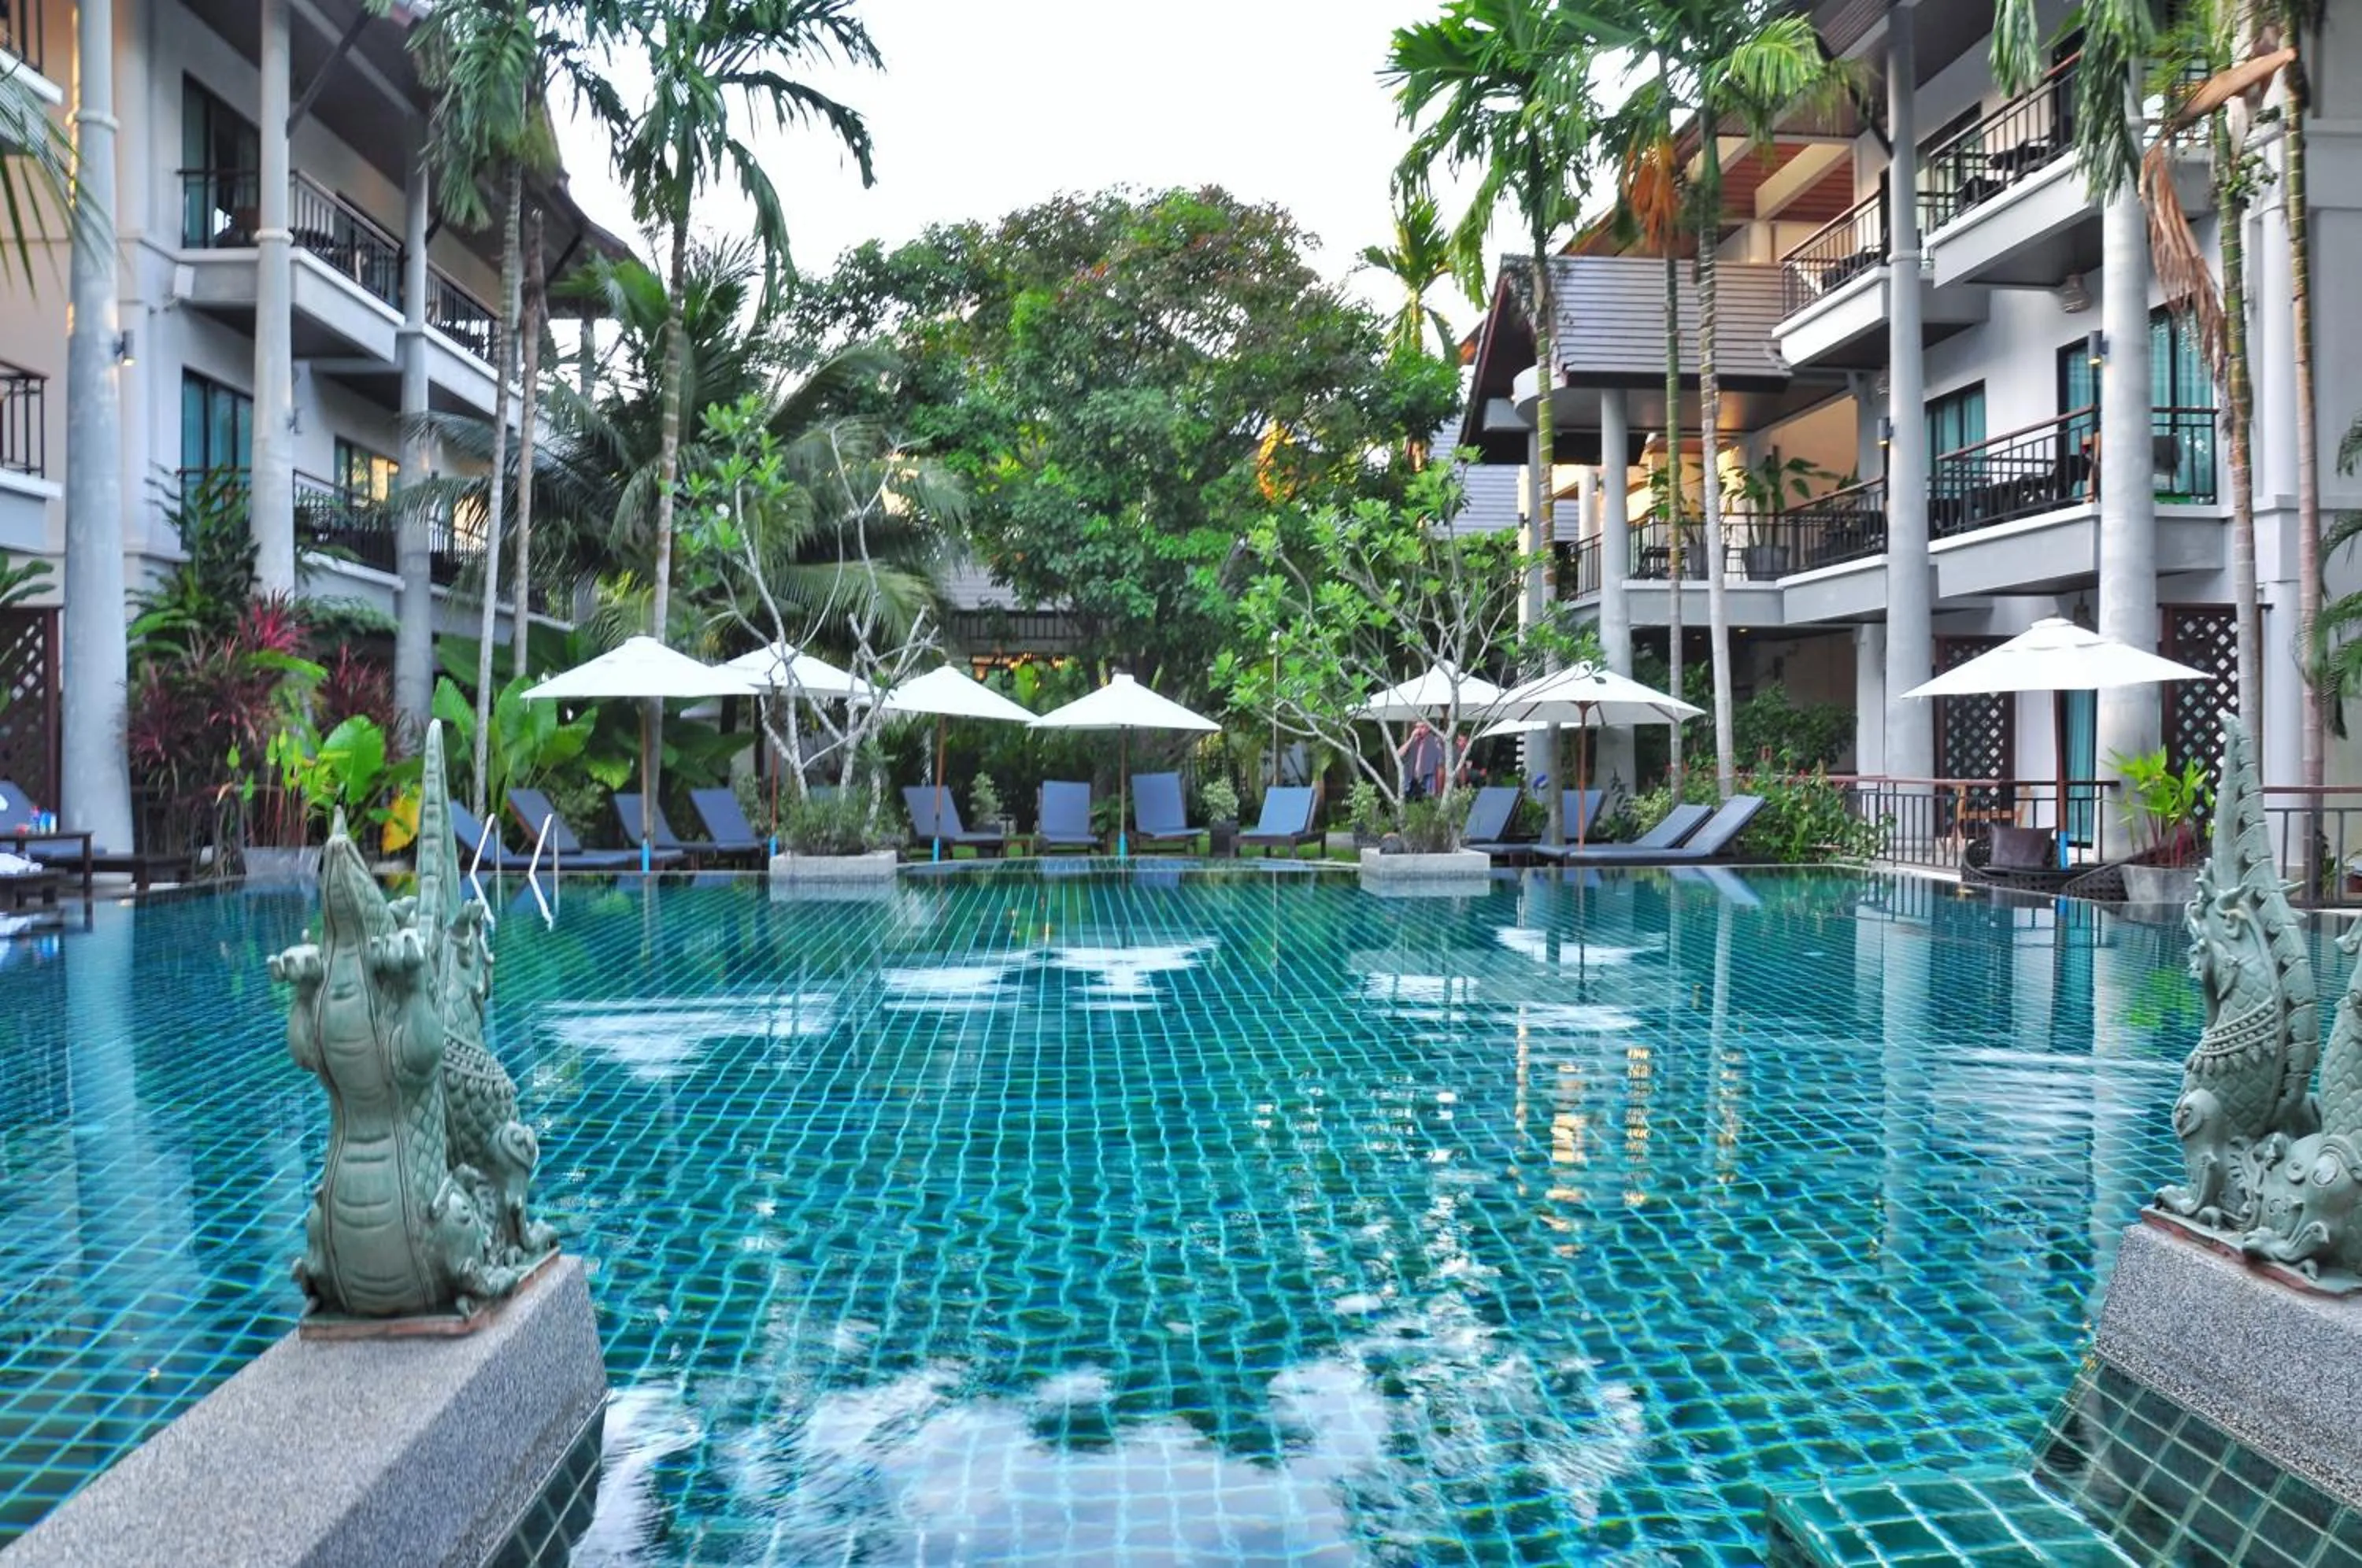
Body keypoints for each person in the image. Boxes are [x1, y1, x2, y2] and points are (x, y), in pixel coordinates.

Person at [1399, 721, 1443, 799]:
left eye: (1422, 727)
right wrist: (1411, 739)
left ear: (1428, 728)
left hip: (1427, 782)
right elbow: (1399, 755)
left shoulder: (1435, 742)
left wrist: (1438, 791)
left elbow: (1440, 768)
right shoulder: (1412, 741)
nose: (1419, 730)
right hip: (1410, 782)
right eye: (1417, 727)